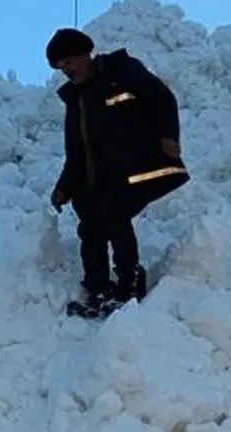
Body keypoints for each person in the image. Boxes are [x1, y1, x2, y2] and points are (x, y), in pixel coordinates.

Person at [46, 26, 189, 317]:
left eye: (69, 62)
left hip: (125, 170)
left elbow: (162, 98)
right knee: (90, 230)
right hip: (90, 180)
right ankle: (98, 290)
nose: (66, 71)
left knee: (115, 218)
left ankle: (130, 283)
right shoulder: (75, 101)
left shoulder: (120, 71)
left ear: (84, 54)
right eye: (61, 68)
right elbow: (75, 151)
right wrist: (64, 186)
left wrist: (167, 135)